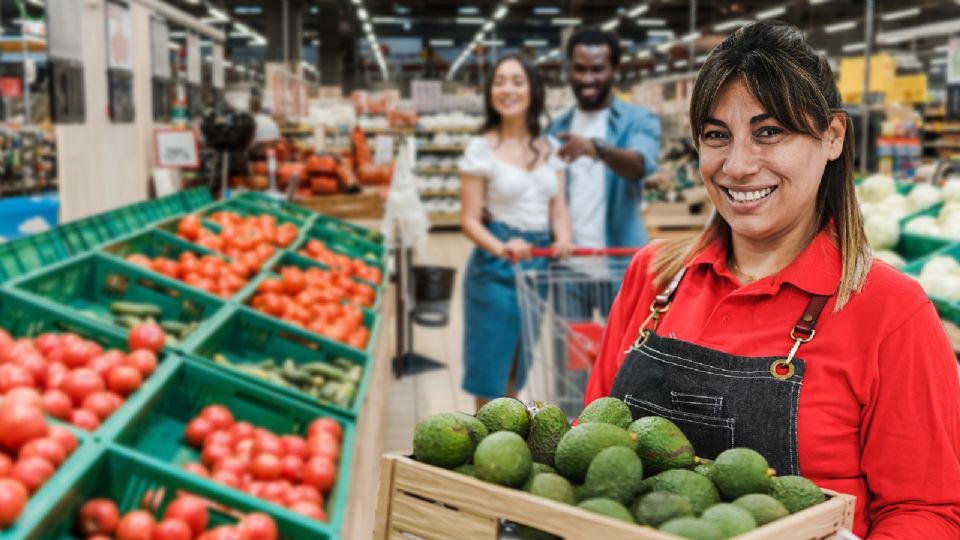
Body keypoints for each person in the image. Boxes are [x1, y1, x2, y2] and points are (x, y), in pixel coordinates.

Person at [584, 21, 960, 539]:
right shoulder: (654, 276)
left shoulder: (891, 312)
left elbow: (929, 512)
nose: (738, 166)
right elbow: (594, 443)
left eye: (770, 132)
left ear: (832, 136)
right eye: (717, 135)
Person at [459, 54, 573, 410]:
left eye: (517, 81)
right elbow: (470, 220)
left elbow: (559, 208)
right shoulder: (481, 149)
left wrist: (564, 237)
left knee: (517, 367)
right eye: (500, 81)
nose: (507, 89)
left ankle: (508, 443)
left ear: (532, 90)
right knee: (490, 372)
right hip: (495, 270)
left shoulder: (550, 148)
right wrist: (502, 246)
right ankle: (487, 447)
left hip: (537, 266)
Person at [547, 25, 661, 255]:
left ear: (614, 70)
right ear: (569, 70)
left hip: (620, 263)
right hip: (568, 265)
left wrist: (598, 149)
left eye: (597, 69)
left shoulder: (639, 120)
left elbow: (639, 166)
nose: (587, 79)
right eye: (580, 69)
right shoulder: (556, 129)